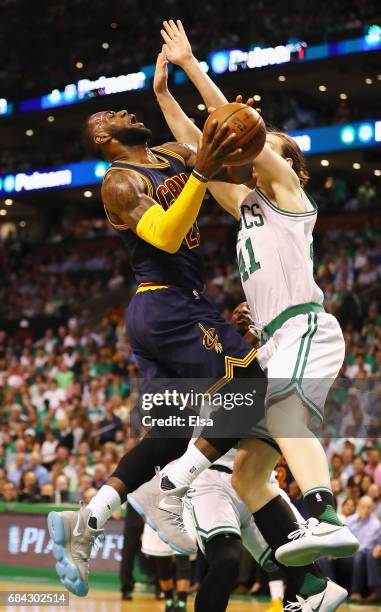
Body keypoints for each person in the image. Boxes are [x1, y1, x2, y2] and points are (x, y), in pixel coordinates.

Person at [128, 18, 358, 572]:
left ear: (282, 159)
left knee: (280, 412)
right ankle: (313, 588)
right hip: (275, 340)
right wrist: (163, 94)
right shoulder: (246, 205)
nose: (247, 148)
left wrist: (190, 66)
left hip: (306, 327)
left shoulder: (288, 192)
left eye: (262, 145)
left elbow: (235, 127)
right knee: (249, 471)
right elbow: (200, 144)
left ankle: (325, 516)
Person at [47, 68, 273, 596]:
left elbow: (223, 163)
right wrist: (202, 172)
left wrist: (234, 127)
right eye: (113, 116)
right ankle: (174, 486)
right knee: (256, 386)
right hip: (166, 305)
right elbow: (167, 238)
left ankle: (85, 524)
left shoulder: (172, 153)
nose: (127, 113)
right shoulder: (119, 182)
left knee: (170, 435)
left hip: (173, 310)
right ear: (105, 139)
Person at [141, 525, 191, 611]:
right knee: (163, 564)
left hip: (183, 521)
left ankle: (181, 603)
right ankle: (169, 600)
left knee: (182, 560)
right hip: (161, 521)